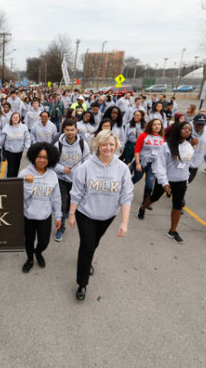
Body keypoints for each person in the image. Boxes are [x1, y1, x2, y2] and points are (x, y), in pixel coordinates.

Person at [68, 130, 133, 301]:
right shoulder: (85, 167)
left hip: (108, 215)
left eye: (111, 144)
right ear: (97, 145)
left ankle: (87, 260)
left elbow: (126, 195)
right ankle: (82, 284)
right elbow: (76, 193)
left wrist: (125, 222)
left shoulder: (122, 169)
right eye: (104, 144)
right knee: (87, 245)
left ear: (116, 146)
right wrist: (72, 213)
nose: (108, 148)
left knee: (94, 242)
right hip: (86, 213)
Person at [138, 122, 194, 243]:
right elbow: (160, 166)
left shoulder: (189, 147)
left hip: (181, 181)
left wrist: (187, 182)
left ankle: (172, 231)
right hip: (166, 180)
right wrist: (164, 183)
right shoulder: (166, 146)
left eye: (189, 130)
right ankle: (143, 207)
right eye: (184, 128)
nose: (187, 131)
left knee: (178, 204)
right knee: (154, 197)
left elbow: (187, 166)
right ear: (178, 129)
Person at [18, 142, 62, 273]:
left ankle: (38, 252)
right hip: (28, 216)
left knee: (44, 242)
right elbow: (20, 197)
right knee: (29, 241)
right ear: (33, 157)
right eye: (39, 156)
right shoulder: (24, 173)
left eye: (46, 157)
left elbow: (56, 197)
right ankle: (30, 259)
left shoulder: (53, 175)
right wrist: (28, 184)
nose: (42, 160)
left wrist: (58, 215)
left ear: (50, 159)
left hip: (45, 216)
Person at [53, 118, 90, 241]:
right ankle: (61, 228)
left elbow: (87, 162)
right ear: (64, 130)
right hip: (61, 180)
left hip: (77, 181)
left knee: (71, 203)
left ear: (76, 130)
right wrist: (62, 169)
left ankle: (69, 212)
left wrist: (83, 174)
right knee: (61, 205)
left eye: (72, 130)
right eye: (67, 130)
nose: (70, 132)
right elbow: (52, 163)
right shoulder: (57, 144)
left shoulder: (83, 144)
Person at [132, 119, 165, 202]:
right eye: (155, 124)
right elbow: (137, 150)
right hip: (142, 161)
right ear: (150, 126)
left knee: (150, 181)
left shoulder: (162, 137)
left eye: (159, 124)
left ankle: (145, 200)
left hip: (154, 163)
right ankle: (123, 188)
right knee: (137, 178)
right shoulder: (143, 135)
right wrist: (137, 163)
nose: (157, 126)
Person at [0, 112, 30, 178]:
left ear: (19, 118)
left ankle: (15, 179)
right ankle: (9, 181)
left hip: (19, 150)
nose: (15, 119)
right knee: (11, 167)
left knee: (17, 166)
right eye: (14, 117)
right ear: (11, 118)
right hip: (9, 150)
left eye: (17, 117)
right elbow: (2, 139)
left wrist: (27, 148)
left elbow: (27, 138)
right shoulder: (7, 127)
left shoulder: (24, 127)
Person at [188, 114, 206, 183]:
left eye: (202, 125)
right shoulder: (187, 130)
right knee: (179, 184)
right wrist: (190, 144)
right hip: (183, 163)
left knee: (187, 183)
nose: (200, 126)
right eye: (198, 124)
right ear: (193, 122)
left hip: (196, 164)